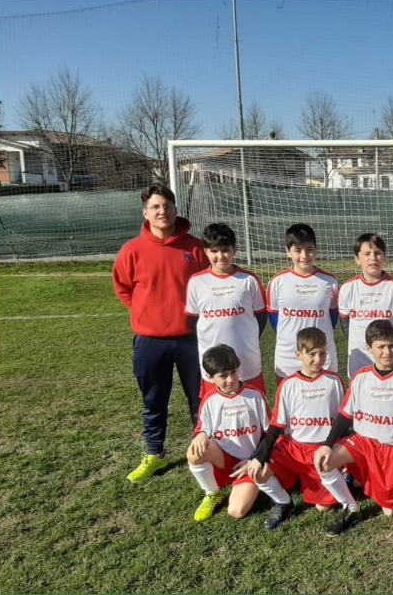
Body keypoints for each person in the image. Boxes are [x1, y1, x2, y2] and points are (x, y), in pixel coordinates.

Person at [113, 184, 208, 483]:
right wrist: (147, 312)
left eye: (167, 206)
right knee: (154, 400)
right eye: (155, 207)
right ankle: (155, 452)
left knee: (201, 399)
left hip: (192, 339)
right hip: (150, 340)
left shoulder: (196, 248)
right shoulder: (131, 250)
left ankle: (205, 453)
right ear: (145, 212)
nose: (162, 211)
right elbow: (123, 288)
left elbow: (210, 284)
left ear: (176, 209)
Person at [313, 319, 393, 537]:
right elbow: (345, 415)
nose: (387, 352)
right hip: (363, 442)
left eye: (391, 345)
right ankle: (350, 508)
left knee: (390, 511)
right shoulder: (361, 377)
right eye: (381, 347)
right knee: (324, 462)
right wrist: (327, 445)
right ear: (369, 348)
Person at [237, 327, 345, 530]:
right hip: (293, 448)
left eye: (322, 353)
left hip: (321, 450)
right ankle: (284, 502)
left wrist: (342, 455)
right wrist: (259, 456)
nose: (318, 359)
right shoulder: (288, 384)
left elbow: (343, 421)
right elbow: (277, 425)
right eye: (311, 354)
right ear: (298, 354)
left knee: (323, 507)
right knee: (259, 471)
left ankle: (330, 477)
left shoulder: (334, 381)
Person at [187, 344, 271, 522]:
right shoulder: (209, 400)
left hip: (250, 461)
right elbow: (202, 428)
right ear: (210, 377)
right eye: (223, 376)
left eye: (234, 372)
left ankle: (247, 482)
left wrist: (254, 460)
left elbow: (271, 434)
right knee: (194, 452)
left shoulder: (254, 396)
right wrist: (201, 434)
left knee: (236, 511)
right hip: (224, 459)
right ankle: (212, 492)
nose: (231, 379)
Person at [185, 223, 268, 398]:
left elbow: (261, 317)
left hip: (247, 359)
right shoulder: (196, 282)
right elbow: (193, 319)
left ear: (234, 250)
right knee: (216, 408)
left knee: (252, 406)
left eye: (225, 250)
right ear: (206, 251)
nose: (220, 256)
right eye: (214, 251)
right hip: (213, 363)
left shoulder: (249, 280)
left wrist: (246, 337)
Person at [267, 224, 339, 386]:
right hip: (288, 355)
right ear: (288, 252)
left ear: (316, 250)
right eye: (298, 250)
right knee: (289, 399)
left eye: (309, 249)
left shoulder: (329, 281)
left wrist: (318, 337)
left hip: (322, 355)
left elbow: (333, 315)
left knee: (328, 398)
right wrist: (289, 336)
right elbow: (273, 315)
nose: (304, 255)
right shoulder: (277, 282)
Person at [338, 233, 393, 378]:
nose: (373, 258)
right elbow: (346, 324)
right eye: (367, 254)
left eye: (378, 253)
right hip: (359, 358)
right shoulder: (347, 288)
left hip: (389, 358)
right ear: (357, 259)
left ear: (384, 257)